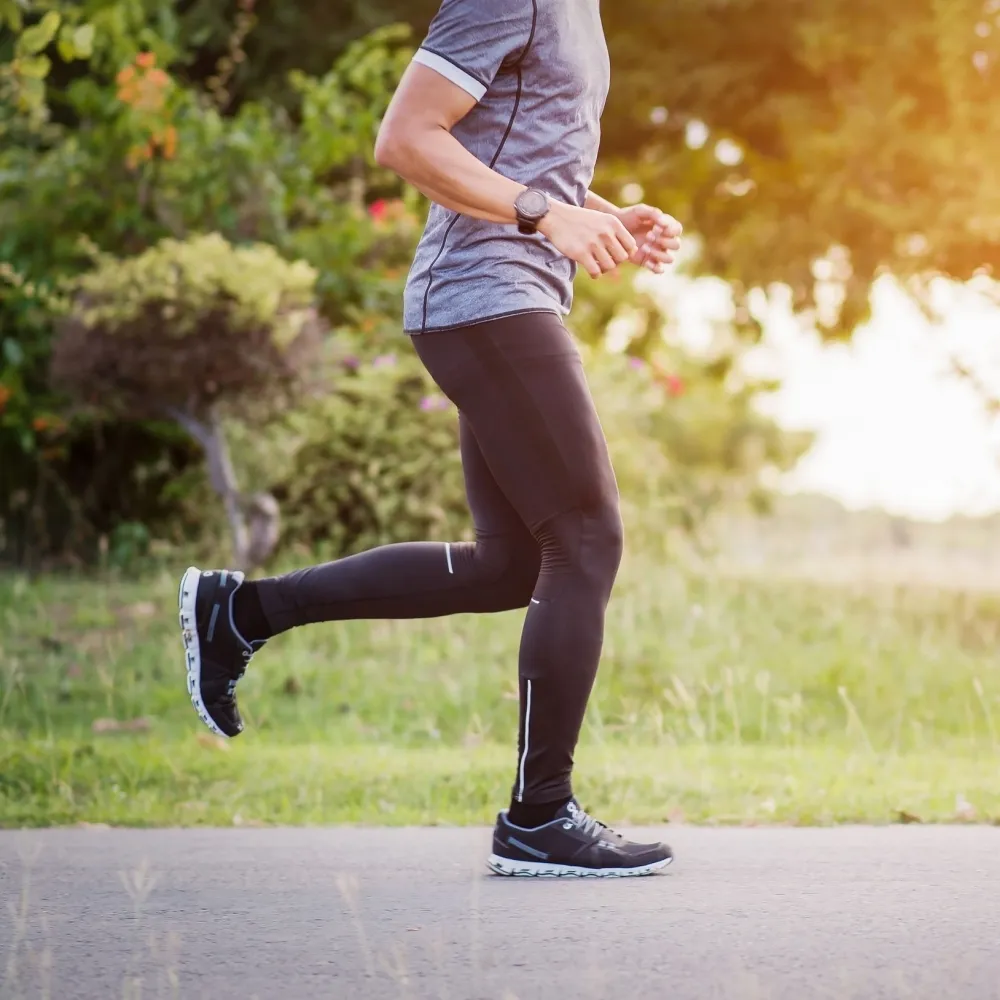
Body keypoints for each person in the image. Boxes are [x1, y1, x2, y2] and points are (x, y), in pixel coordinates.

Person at [178, 0, 683, 878]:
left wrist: (598, 215)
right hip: (482, 293)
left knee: (512, 566)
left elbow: (517, 157)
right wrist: (543, 215)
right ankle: (539, 816)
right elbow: (407, 138)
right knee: (587, 538)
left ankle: (241, 612)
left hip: (504, 292)